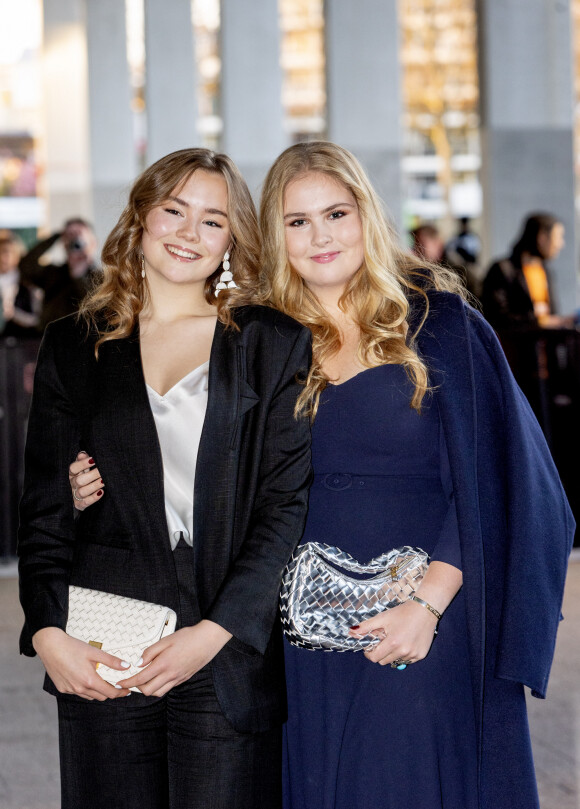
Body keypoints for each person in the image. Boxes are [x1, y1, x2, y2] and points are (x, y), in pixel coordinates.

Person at [256, 142, 573, 809]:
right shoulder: (261, 342)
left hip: (427, 619)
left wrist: (428, 602)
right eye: (298, 221)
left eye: (336, 212)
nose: (321, 235)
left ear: (365, 213)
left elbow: (503, 475)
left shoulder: (440, 323)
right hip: (304, 640)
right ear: (275, 236)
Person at [18, 148, 312, 809]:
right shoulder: (75, 342)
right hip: (105, 635)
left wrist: (215, 632)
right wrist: (46, 631)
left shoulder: (269, 341)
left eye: (212, 220)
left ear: (232, 237)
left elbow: (283, 504)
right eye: (174, 210)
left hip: (226, 640)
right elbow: (41, 504)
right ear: (141, 219)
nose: (189, 232)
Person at [481, 212, 569, 331]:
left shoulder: (546, 271)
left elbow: (552, 315)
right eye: (558, 237)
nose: (561, 244)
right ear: (542, 238)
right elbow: (496, 317)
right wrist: (538, 322)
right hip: (514, 347)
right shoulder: (502, 270)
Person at [19, 217, 100, 330]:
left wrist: (78, 275)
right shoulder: (54, 273)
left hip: (83, 339)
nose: (74, 240)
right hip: (49, 338)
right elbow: (25, 267)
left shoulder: (102, 277)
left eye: (79, 234)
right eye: (70, 236)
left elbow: (95, 305)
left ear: (93, 243)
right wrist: (56, 236)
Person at [0, 230, 41, 338]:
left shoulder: (27, 283)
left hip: (21, 345)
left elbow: (36, 319)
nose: (3, 257)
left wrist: (14, 314)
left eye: (6, 252)